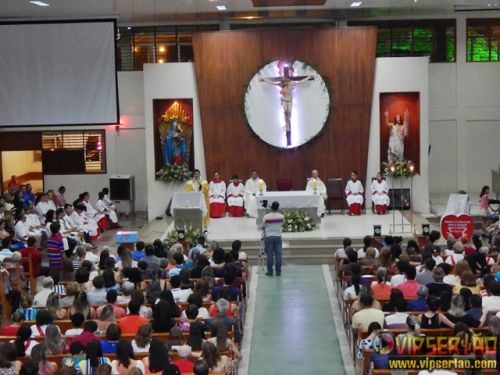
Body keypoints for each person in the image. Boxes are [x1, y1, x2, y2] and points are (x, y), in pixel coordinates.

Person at [262, 201, 283, 276]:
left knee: (270, 255)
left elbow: (263, 226)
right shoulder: (281, 216)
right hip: (278, 236)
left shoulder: (266, 217)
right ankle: (278, 271)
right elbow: (282, 224)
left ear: (271, 207)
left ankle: (270, 271)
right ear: (278, 207)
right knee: (278, 255)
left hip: (269, 236)